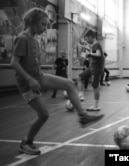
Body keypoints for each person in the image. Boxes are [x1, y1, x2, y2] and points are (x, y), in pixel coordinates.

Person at [10, 8, 103, 155]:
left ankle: (83, 116)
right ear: (32, 22)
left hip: (39, 78)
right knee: (44, 115)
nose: (45, 28)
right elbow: (14, 63)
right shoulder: (22, 39)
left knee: (69, 83)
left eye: (47, 25)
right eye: (43, 24)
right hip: (28, 84)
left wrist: (39, 78)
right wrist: (29, 80)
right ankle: (26, 142)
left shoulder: (34, 40)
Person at [77, 30, 105, 111]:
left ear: (90, 37)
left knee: (95, 86)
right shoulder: (94, 46)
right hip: (91, 68)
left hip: (96, 69)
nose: (86, 40)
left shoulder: (97, 44)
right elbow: (96, 56)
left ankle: (96, 106)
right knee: (79, 78)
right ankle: (81, 95)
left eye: (86, 38)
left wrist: (89, 54)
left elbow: (98, 55)